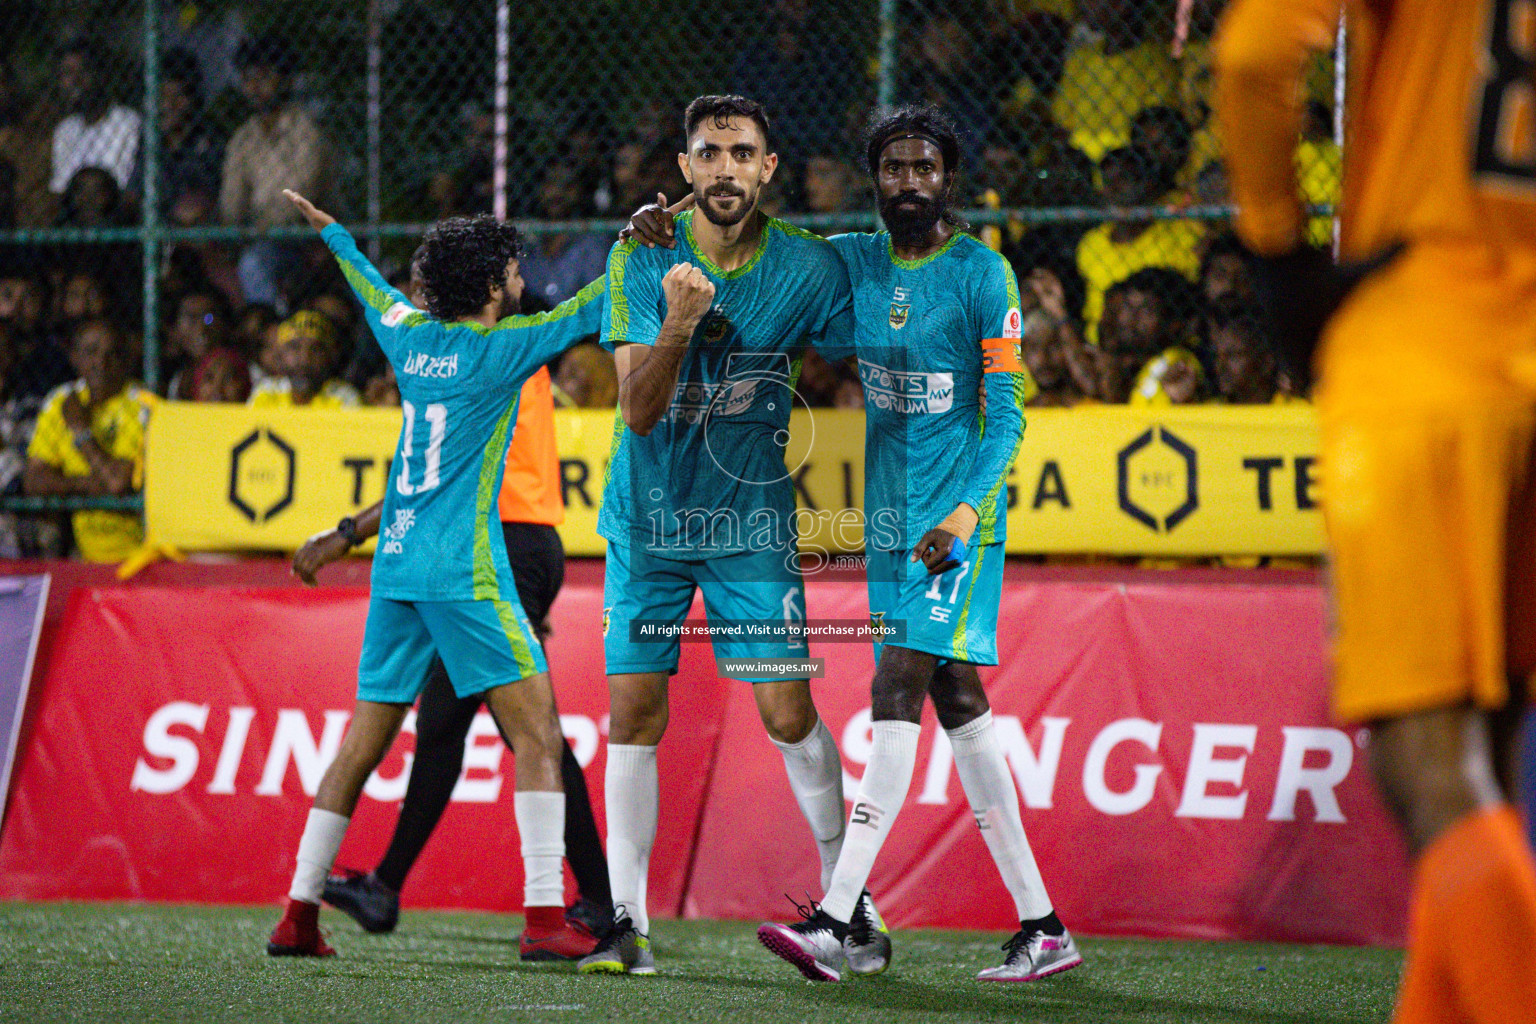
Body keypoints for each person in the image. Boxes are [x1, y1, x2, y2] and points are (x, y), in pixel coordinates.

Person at [1215, 2, 1536, 1021]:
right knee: (1492, 739)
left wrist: (1278, 251)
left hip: (1430, 333)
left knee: (1432, 767)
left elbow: (1256, 50)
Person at [753, 104, 1078, 983]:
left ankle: (837, 917)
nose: (907, 181)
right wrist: (686, 226)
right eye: (892, 167)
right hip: (892, 523)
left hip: (955, 529)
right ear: (876, 178)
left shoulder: (983, 274)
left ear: (948, 177)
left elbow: (1008, 415)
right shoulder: (858, 261)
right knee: (959, 700)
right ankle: (1044, 926)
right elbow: (768, 249)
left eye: (923, 167)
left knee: (895, 680)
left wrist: (969, 515)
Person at [579, 95, 875, 977]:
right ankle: (625, 921)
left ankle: (846, 901)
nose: (724, 169)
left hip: (749, 527)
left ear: (767, 168)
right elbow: (637, 411)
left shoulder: (809, 269)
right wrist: (677, 320)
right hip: (649, 523)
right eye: (708, 153)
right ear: (685, 168)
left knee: (787, 712)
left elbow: (880, 326)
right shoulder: (641, 253)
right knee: (633, 712)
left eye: (742, 153)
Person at [266, 190, 603, 958]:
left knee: (362, 743)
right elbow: (590, 308)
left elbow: (370, 290)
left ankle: (298, 913)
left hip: (396, 569)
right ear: (490, 287)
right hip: (466, 573)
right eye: (513, 271)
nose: (521, 279)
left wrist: (339, 236)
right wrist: (645, 239)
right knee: (540, 736)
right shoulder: (502, 348)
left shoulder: (409, 338)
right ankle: (548, 923)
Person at [23, 317, 155, 563]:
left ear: (126, 359)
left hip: (141, 553)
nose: (101, 363)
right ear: (74, 357)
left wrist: (80, 430)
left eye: (112, 354)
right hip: (81, 552)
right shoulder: (61, 400)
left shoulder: (143, 404)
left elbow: (116, 483)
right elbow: (34, 480)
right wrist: (90, 486)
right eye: (91, 352)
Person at [219, 36, 332, 305]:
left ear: (286, 80)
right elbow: (231, 203)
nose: (255, 86)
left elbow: (301, 200)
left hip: (305, 238)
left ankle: (272, 324)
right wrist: (236, 228)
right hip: (258, 237)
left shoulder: (306, 132)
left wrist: (258, 226)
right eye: (248, 78)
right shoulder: (243, 137)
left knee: (254, 264)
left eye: (264, 77)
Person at [50, 39, 141, 196]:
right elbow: (61, 187)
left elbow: (123, 184)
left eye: (83, 71)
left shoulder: (127, 121)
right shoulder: (65, 130)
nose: (75, 80)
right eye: (67, 73)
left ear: (100, 74)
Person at [248, 311, 360, 408]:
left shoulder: (344, 398)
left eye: (316, 349)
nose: (305, 359)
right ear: (281, 355)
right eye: (295, 347)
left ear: (329, 357)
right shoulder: (266, 393)